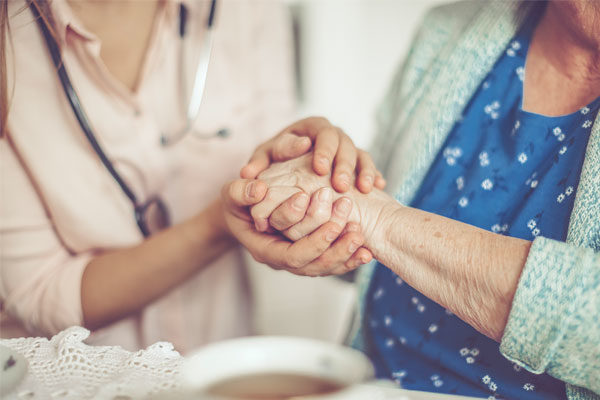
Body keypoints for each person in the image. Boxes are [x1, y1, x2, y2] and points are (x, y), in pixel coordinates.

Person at [223, 1, 600, 399]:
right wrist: (313, 184)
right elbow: (374, 252)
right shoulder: (447, 32)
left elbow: (380, 221)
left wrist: (379, 220)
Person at [0, 0, 383, 353]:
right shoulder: (12, 45)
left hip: (221, 367)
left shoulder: (248, 9)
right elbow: (41, 294)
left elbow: (274, 164)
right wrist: (220, 223)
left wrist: (308, 162)